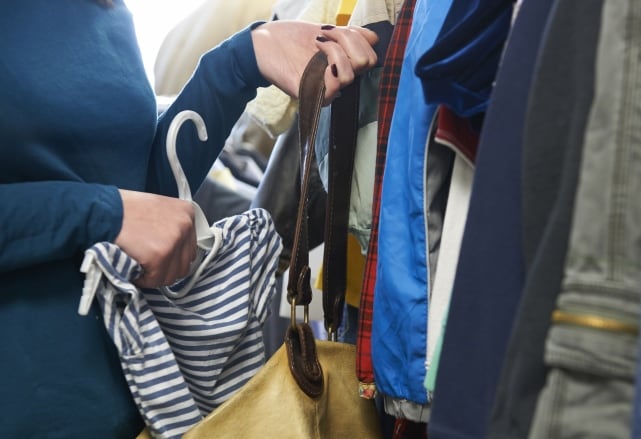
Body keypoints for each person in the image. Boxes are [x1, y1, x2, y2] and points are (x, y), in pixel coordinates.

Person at [0, 0, 378, 437]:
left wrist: (240, 63)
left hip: (139, 400)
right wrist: (103, 214)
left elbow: (144, 206)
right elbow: (117, 211)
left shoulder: (104, 13)